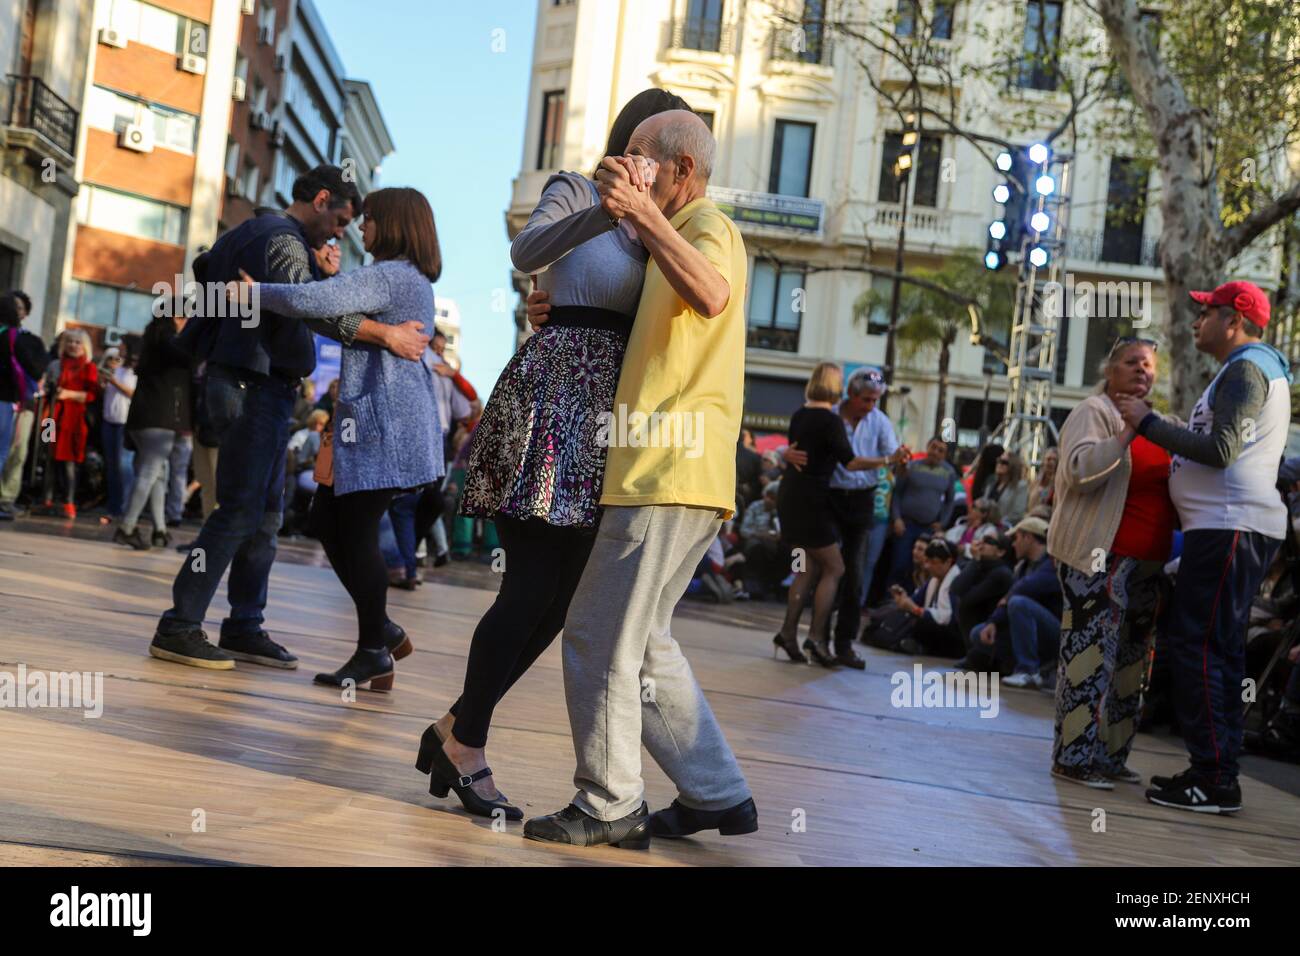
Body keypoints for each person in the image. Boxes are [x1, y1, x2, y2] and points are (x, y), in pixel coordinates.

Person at [414, 90, 691, 820]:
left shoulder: (666, 225)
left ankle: (456, 730)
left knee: (562, 601)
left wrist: (648, 217)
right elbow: (526, 253)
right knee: (529, 585)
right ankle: (466, 740)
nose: (651, 164)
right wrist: (609, 206)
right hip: (550, 403)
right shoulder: (575, 190)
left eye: (665, 154)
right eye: (644, 146)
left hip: (608, 425)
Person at [522, 109, 758, 850]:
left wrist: (644, 214)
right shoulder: (673, 236)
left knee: (597, 636)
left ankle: (609, 801)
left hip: (667, 469)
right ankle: (715, 792)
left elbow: (713, 294)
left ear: (680, 171)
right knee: (647, 644)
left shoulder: (705, 228)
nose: (623, 166)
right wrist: (559, 307)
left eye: (637, 156)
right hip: (673, 472)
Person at [148, 165, 430, 671]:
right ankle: (180, 625)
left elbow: (294, 293)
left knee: (265, 514)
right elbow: (307, 306)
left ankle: (244, 625)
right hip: (250, 384)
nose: (344, 231)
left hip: (258, 385)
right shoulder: (282, 240)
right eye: (342, 218)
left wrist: (321, 278)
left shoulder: (258, 232)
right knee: (238, 511)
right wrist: (383, 334)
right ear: (321, 199)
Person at [245, 186, 444, 690]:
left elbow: (313, 300)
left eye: (370, 218)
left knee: (353, 532)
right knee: (327, 520)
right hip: (381, 421)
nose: (360, 227)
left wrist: (254, 294)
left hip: (386, 424)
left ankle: (374, 648)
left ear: (394, 224)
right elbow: (334, 318)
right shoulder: (402, 278)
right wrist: (334, 283)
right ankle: (380, 631)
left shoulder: (392, 275)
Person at [1115, 281, 1293, 814]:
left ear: (1233, 319)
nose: (1195, 321)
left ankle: (1215, 778)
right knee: (1215, 648)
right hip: (1225, 527)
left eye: (1205, 312)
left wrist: (1147, 424)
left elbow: (1220, 450)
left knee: (1199, 646)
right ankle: (1213, 771)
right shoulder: (1246, 369)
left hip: (1228, 528)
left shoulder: (1247, 368)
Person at [1046, 338, 1175, 789]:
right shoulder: (1094, 412)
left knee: (1131, 665)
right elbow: (1080, 470)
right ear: (1111, 370)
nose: (1142, 370)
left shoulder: (1160, 422)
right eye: (1131, 362)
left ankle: (1111, 757)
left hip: (1147, 564)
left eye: (1149, 364)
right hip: (1096, 558)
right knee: (1088, 658)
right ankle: (1073, 759)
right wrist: (1126, 433)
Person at [772, 362, 895, 667]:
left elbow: (794, 449)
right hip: (817, 502)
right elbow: (849, 463)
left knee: (809, 569)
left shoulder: (801, 413)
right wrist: (889, 459)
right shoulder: (831, 419)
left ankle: (790, 633)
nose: (870, 405)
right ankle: (815, 638)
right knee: (837, 569)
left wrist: (782, 454)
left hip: (794, 496)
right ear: (843, 389)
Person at [113, 312, 192, 550]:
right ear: (177, 318)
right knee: (149, 473)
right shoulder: (172, 346)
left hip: (143, 418)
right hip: (160, 419)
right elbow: (190, 360)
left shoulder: (153, 345)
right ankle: (126, 527)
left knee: (159, 475)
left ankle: (159, 529)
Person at [961, 516, 1060, 677]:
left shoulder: (1052, 563)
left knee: (1019, 603)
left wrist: (1008, 597)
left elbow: (1027, 587)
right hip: (1030, 631)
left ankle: (1028, 671)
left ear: (1028, 537)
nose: (1013, 544)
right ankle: (1017, 665)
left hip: (1055, 633)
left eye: (1016, 538)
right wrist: (993, 621)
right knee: (979, 633)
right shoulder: (1023, 566)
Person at [38, 329, 99, 517]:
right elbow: (45, 386)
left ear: (84, 347)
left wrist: (68, 394)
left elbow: (92, 395)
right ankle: (46, 500)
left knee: (70, 462)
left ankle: (69, 502)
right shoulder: (54, 365)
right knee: (48, 458)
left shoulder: (89, 368)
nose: (73, 345)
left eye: (77, 342)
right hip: (51, 418)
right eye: (70, 341)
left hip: (74, 420)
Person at [0, 292, 47, 521]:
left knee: (17, 452)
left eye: (20, 307)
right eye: (12, 306)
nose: (16, 311)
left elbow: (40, 369)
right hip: (6, 401)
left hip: (25, 405)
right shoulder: (7, 336)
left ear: (26, 312)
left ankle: (7, 498)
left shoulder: (31, 340)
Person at [888, 436, 957, 586]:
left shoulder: (949, 473)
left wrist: (942, 522)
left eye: (941, 450)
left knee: (922, 567)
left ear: (945, 455)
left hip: (928, 528)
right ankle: (891, 600)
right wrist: (897, 518)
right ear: (927, 447)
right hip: (906, 524)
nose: (936, 452)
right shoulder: (912, 466)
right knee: (900, 563)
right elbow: (897, 493)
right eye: (933, 447)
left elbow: (950, 500)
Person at [890, 537, 963, 657]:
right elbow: (915, 601)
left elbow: (948, 619)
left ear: (948, 562)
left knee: (921, 624)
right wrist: (903, 599)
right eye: (927, 561)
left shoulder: (957, 581)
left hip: (954, 637)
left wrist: (914, 609)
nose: (928, 566)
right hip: (937, 628)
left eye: (934, 562)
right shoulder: (934, 579)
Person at [949, 532, 1015, 647]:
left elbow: (968, 600)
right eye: (981, 539)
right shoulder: (980, 565)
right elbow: (955, 589)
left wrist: (975, 561)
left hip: (993, 632)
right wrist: (975, 561)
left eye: (988, 541)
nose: (981, 544)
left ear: (1001, 552)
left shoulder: (1002, 573)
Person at [98, 347, 136, 525]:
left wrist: (114, 381)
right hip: (109, 421)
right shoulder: (115, 371)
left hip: (126, 422)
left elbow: (132, 394)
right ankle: (113, 507)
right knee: (112, 466)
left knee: (124, 466)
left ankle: (127, 508)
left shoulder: (133, 372)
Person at [738, 480, 783, 599]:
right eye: (767, 496)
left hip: (775, 543)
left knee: (792, 551)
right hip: (755, 540)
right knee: (757, 548)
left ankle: (779, 587)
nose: (768, 500)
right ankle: (754, 587)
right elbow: (744, 530)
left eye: (773, 498)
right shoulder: (755, 506)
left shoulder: (780, 511)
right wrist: (760, 535)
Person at [987, 450, 1029, 525]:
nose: (999, 464)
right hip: (985, 526)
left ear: (1013, 466)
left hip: (1003, 529)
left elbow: (1017, 514)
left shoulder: (1020, 486)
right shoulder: (992, 483)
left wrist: (998, 523)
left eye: (1004, 462)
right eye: (999, 461)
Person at [1027, 447, 1058, 515]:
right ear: (1043, 461)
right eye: (1048, 459)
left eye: (1054, 460)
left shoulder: (1058, 485)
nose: (1051, 462)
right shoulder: (1036, 482)